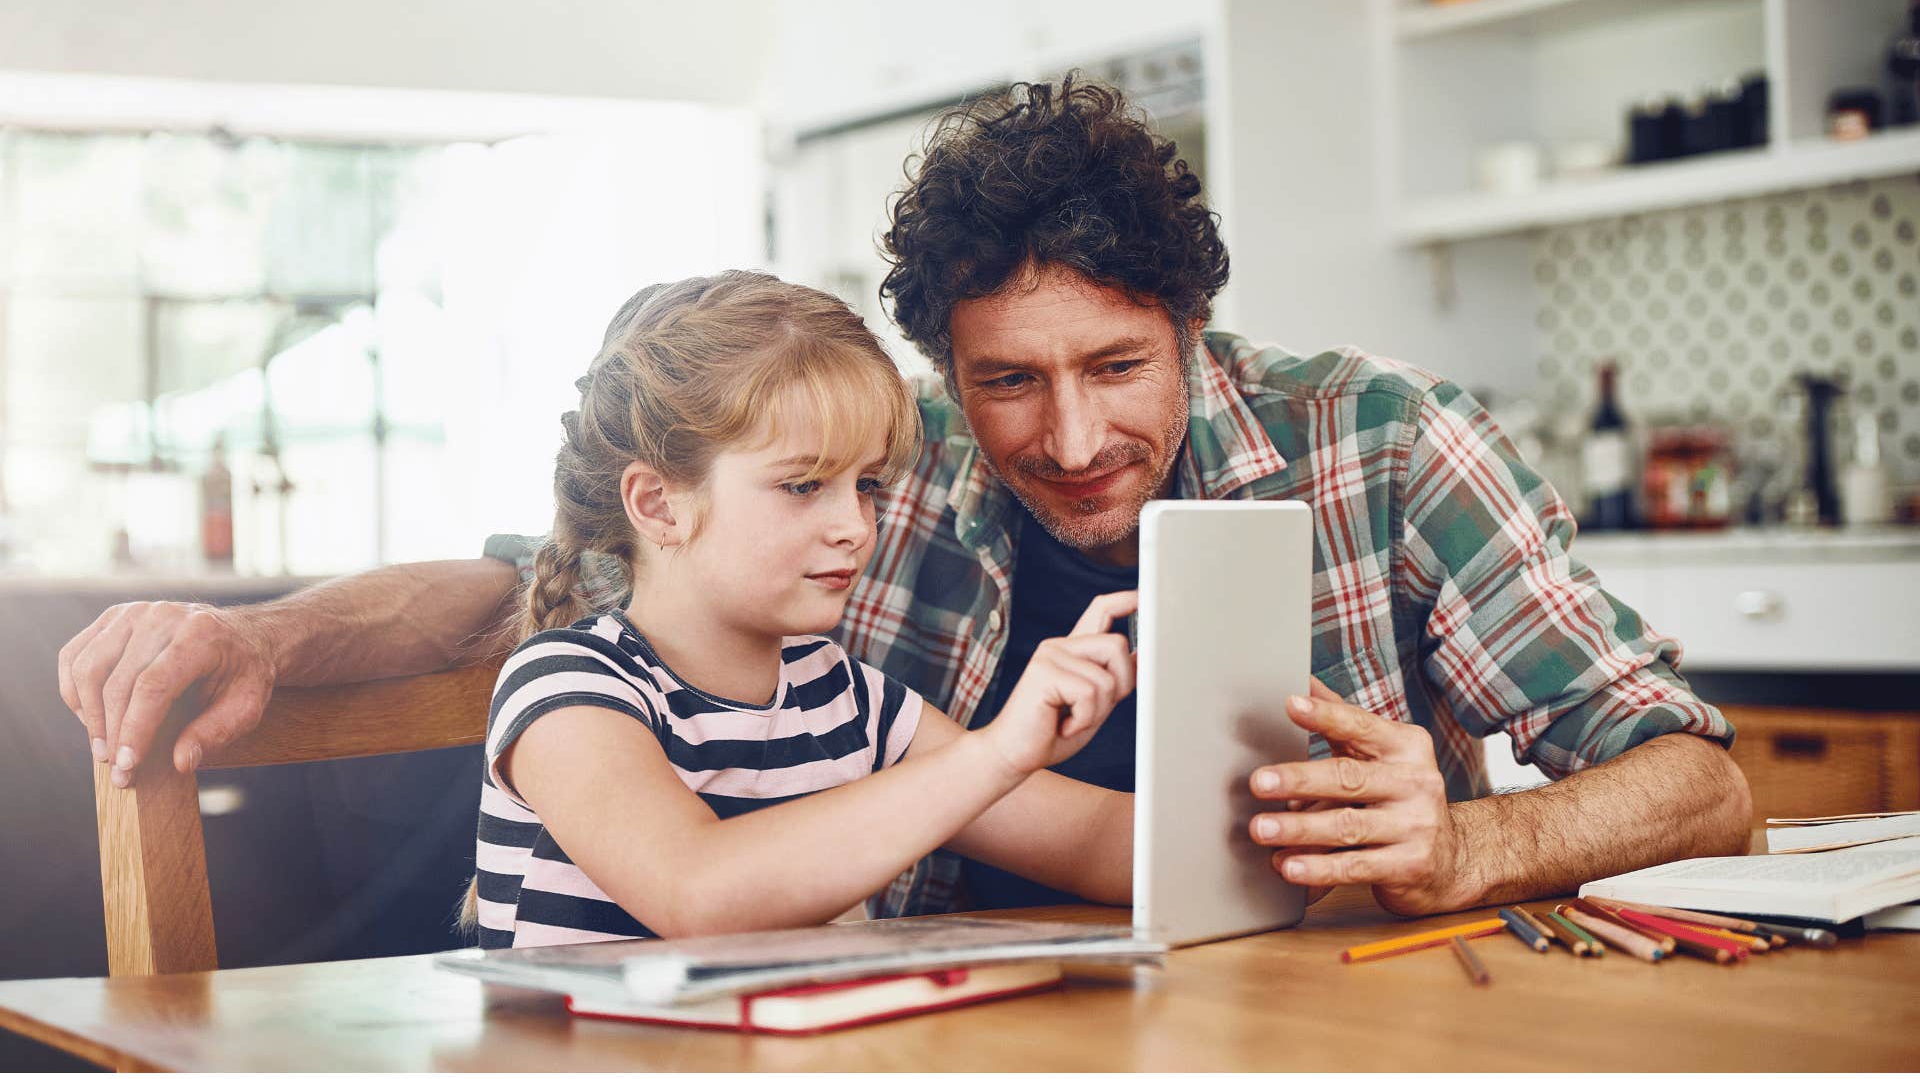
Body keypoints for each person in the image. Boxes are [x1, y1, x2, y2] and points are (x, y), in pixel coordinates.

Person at [60, 76, 1750, 923]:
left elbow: (1703, 778)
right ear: (947, 365)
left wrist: (1452, 840)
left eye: (1119, 366)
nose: (1071, 436)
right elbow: (531, 591)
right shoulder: (867, 481)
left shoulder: (1381, 443)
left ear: (1192, 329)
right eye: (1007, 381)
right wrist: (273, 635)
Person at [466, 271, 1134, 944]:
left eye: (867, 485)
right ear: (657, 504)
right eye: (803, 484)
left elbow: (1092, 840)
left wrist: (1241, 824)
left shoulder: (848, 699)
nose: (855, 525)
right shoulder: (567, 685)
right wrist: (995, 755)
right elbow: (697, 891)